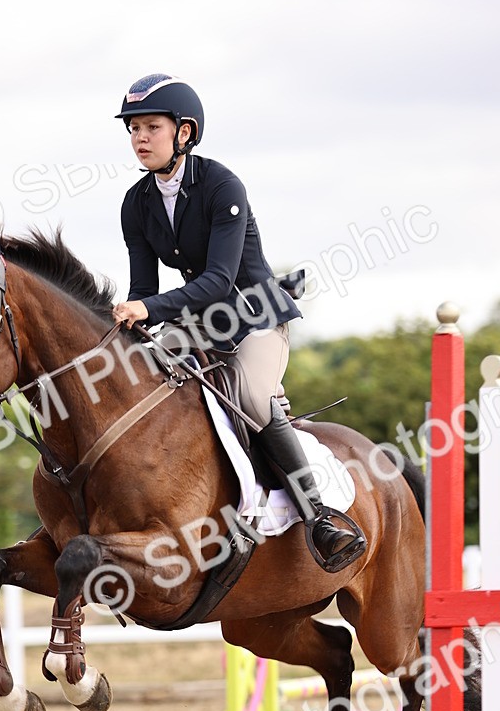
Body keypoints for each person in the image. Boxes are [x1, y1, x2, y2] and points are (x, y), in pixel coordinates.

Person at [112, 73, 366, 573]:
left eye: (151, 127)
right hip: (197, 322)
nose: (140, 138)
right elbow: (142, 288)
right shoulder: (135, 204)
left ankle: (319, 515)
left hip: (252, 317)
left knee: (251, 399)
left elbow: (217, 281)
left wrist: (149, 310)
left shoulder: (222, 186)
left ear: (184, 133)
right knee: (149, 382)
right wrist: (127, 324)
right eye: (134, 129)